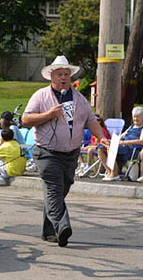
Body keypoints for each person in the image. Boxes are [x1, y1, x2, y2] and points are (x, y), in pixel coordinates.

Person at [22, 55, 109, 247]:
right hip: (46, 152)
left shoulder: (79, 98)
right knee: (54, 189)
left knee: (60, 191)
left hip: (70, 154)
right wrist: (48, 115)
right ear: (51, 77)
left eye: (66, 74)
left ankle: (49, 231)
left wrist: (101, 136)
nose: (63, 78)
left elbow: (91, 121)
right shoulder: (40, 95)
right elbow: (26, 120)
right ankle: (63, 227)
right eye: (59, 74)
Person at [97, 107, 143, 181]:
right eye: (134, 117)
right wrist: (111, 141)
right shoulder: (132, 126)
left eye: (138, 117)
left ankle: (114, 173)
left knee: (111, 148)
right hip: (123, 145)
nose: (135, 119)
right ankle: (109, 171)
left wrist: (123, 142)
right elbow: (121, 136)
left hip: (133, 148)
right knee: (101, 148)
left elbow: (142, 141)